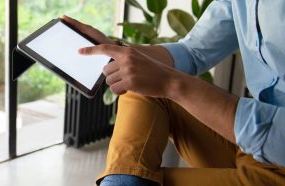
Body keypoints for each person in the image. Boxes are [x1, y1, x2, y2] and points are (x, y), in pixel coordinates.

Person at [61, 0, 285, 185]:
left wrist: (171, 83)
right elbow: (191, 52)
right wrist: (119, 51)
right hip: (250, 147)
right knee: (140, 84)